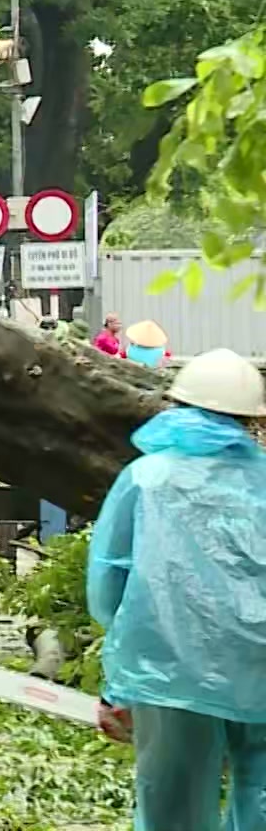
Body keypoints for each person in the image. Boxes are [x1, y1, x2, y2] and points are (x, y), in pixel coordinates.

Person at [86, 347, 266, 831]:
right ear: (251, 420)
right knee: (261, 792)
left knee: (173, 806)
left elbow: (109, 580)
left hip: (170, 670)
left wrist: (121, 679)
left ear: (178, 406)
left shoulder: (145, 479)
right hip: (260, 669)